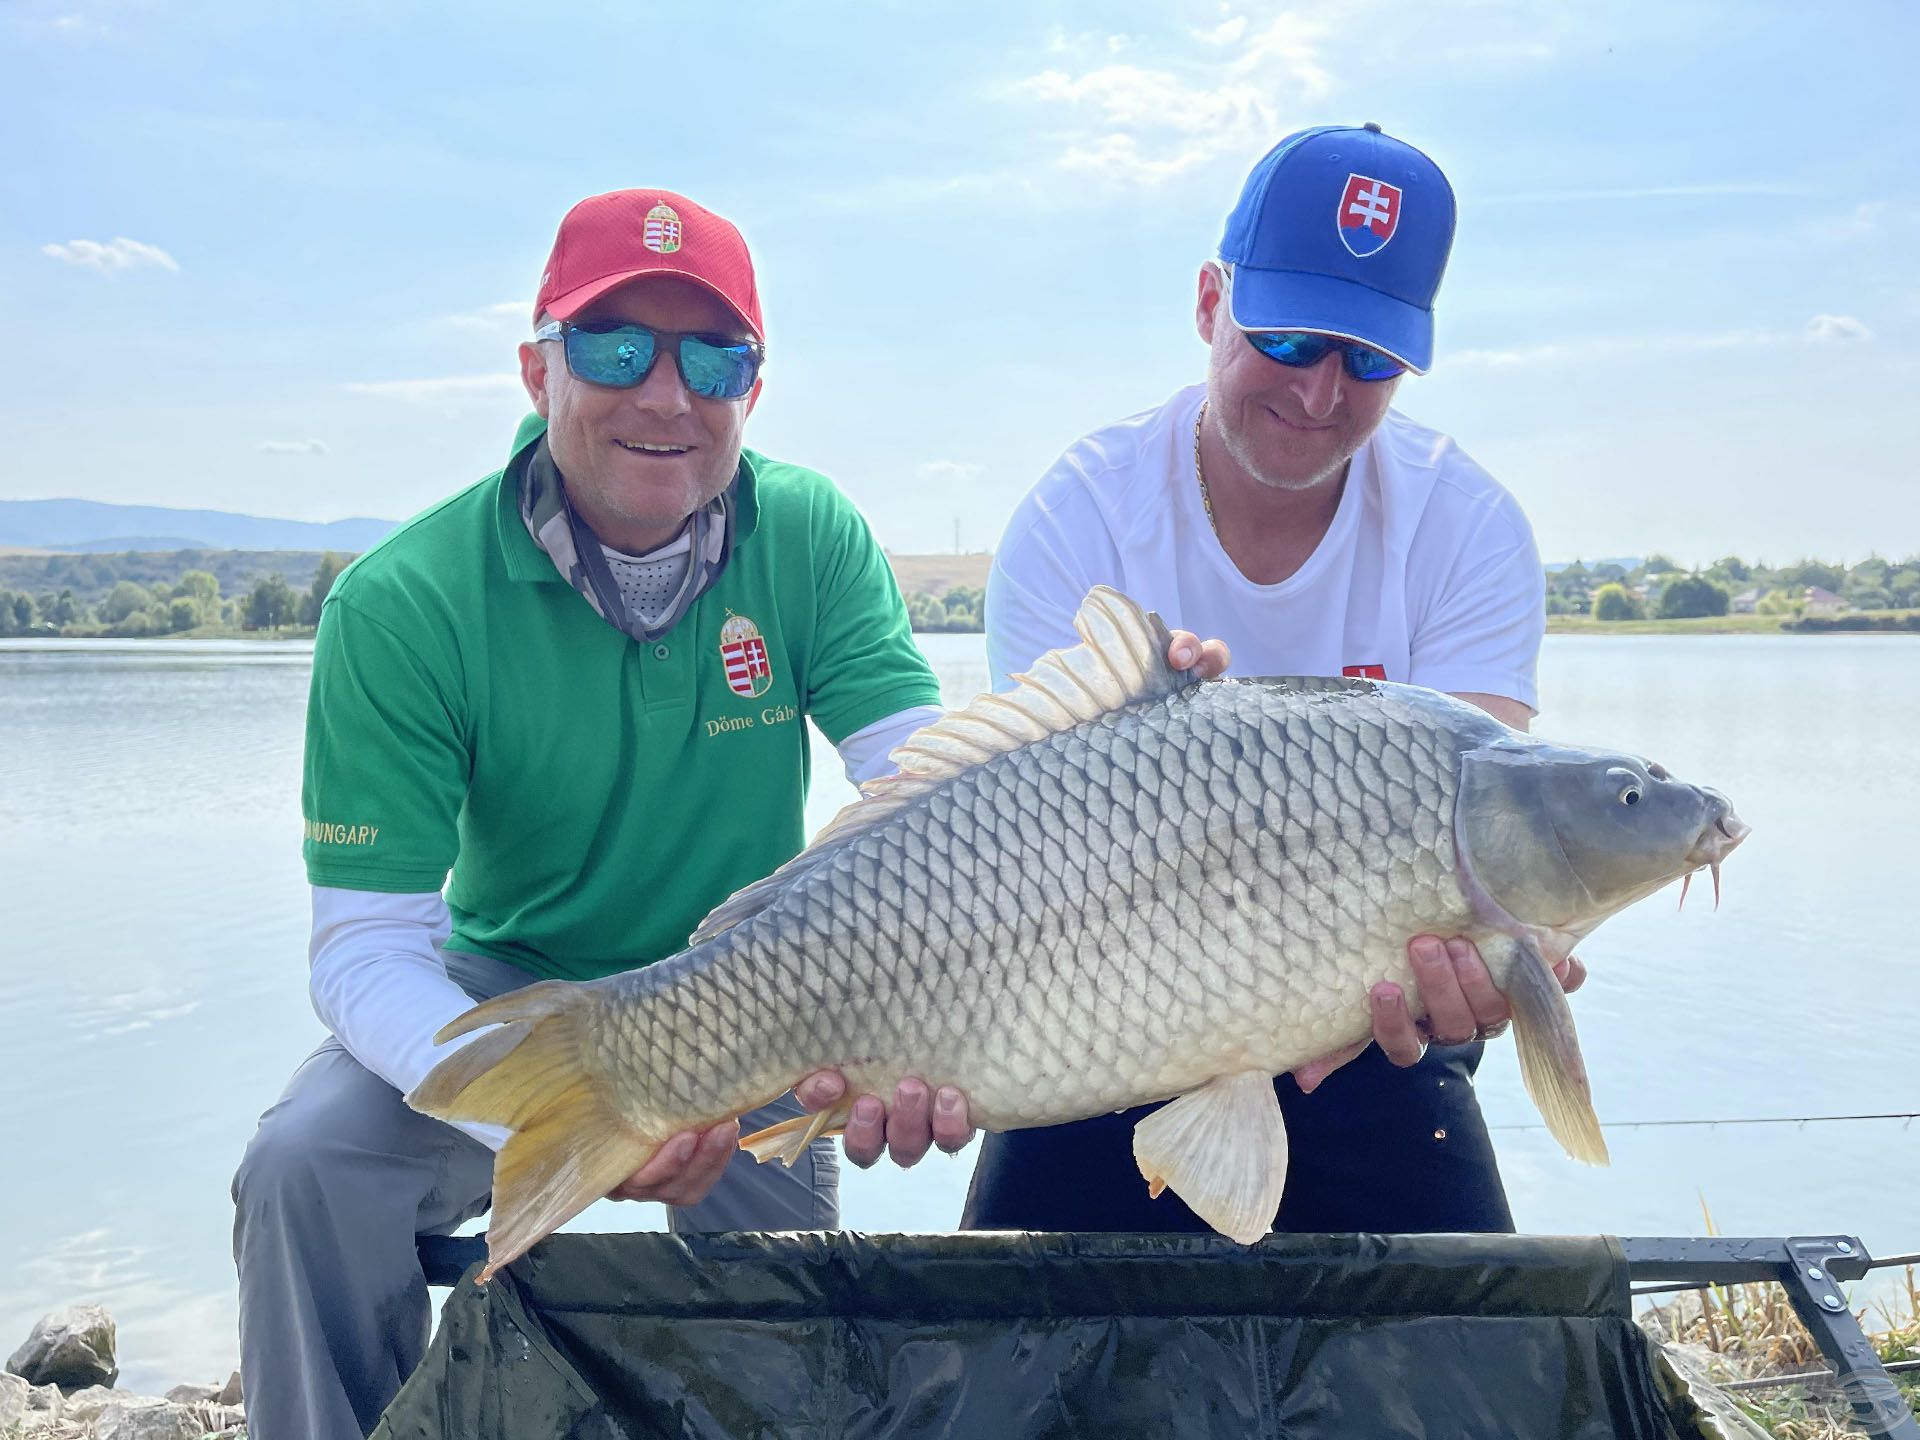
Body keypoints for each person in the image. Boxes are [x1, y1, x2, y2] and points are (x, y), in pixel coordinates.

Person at [229, 187, 1218, 1440]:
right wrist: (564, 1112)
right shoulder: (402, 602)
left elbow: (929, 788)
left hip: (762, 986)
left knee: (791, 1350)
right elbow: (366, 948)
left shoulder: (807, 533)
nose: (666, 393)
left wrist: (1135, 753)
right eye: (615, 347)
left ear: (757, 384)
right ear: (536, 369)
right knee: (306, 1169)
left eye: (714, 355)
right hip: (507, 981)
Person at [963, 124, 1585, 1238]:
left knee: (1486, 1362)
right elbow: (1022, 854)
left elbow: (1484, 833)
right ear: (1211, 305)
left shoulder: (1466, 523)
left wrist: (1496, 958)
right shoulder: (1083, 515)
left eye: (1372, 357)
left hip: (1378, 1044)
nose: (1320, 392)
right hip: (1091, 1021)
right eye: (1289, 338)